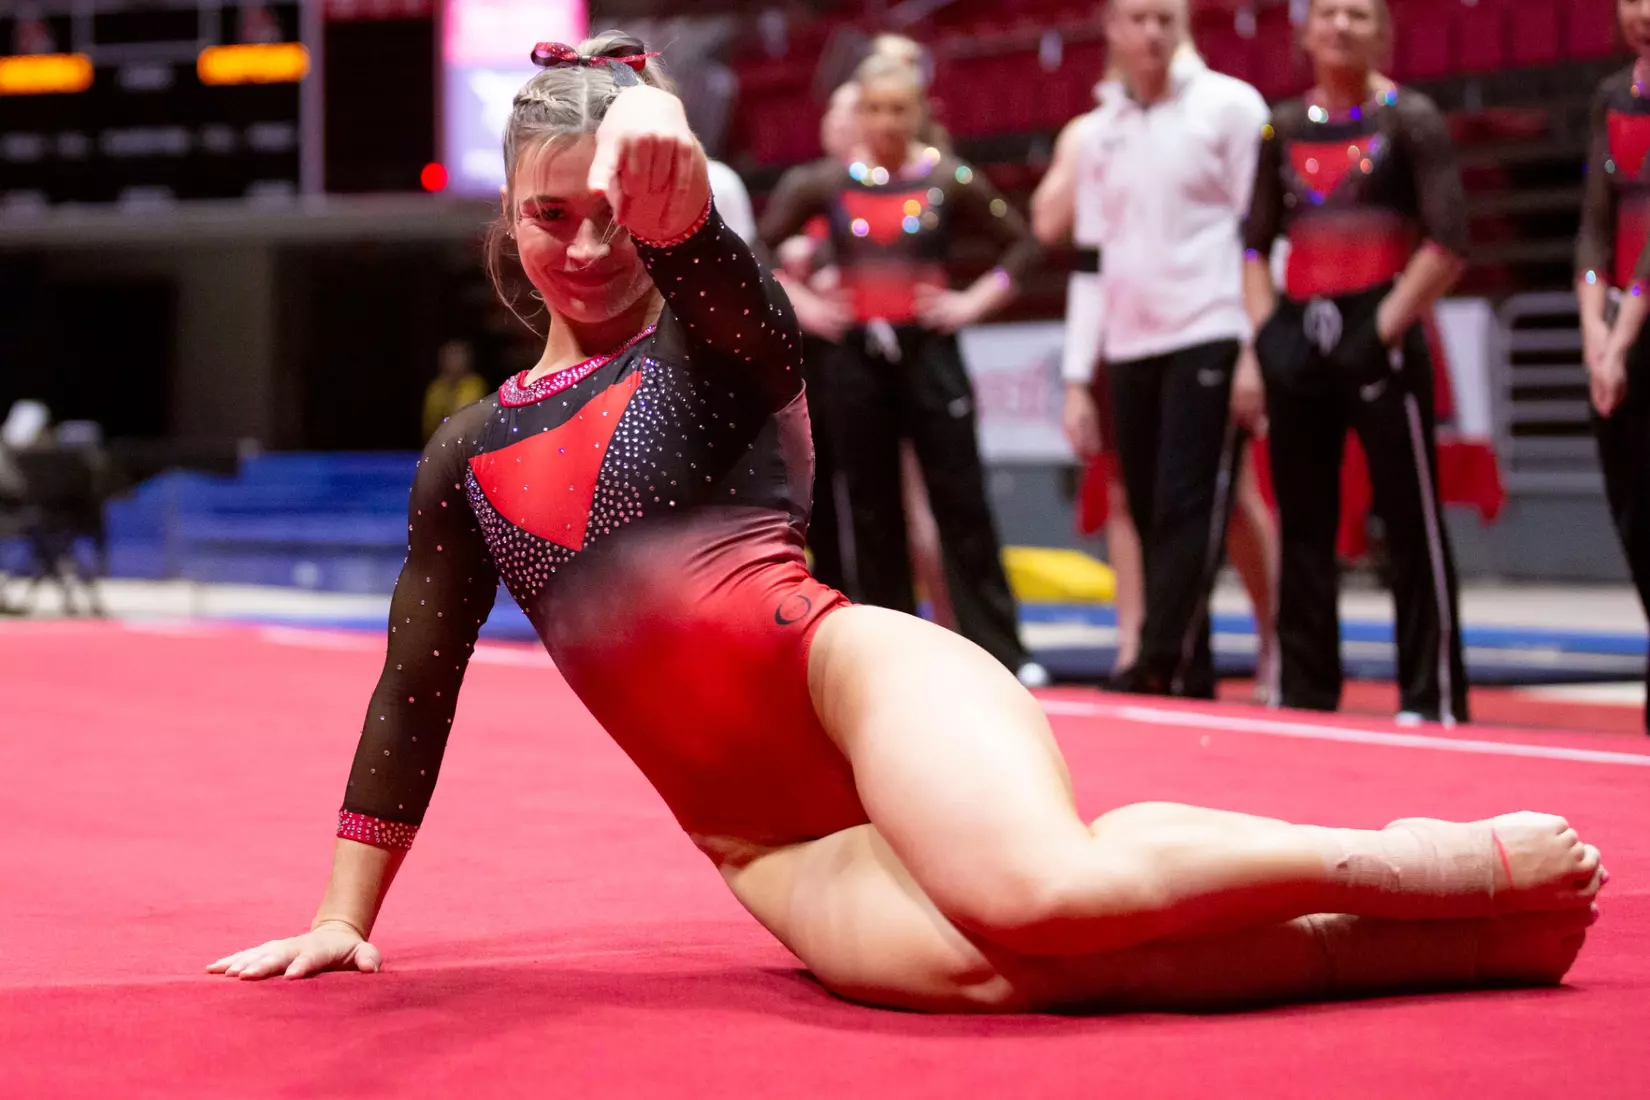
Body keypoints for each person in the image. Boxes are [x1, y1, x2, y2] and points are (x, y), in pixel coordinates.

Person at [210, 34, 1607, 1014]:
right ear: (504, 225)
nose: (586, 247)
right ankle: (1444, 952)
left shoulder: (711, 342)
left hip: (854, 681)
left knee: (1040, 894)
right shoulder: (467, 453)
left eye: (613, 217)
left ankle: (1414, 861)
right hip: (769, 845)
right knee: (1014, 976)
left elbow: (748, 316)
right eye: (550, 216)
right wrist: (345, 918)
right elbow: (417, 677)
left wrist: (688, 218)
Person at [759, 53, 1045, 685]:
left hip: (930, 356)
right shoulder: (826, 182)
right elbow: (756, 244)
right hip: (855, 361)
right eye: (875, 109)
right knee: (872, 508)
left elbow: (1024, 244)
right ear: (858, 114)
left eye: (898, 109)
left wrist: (972, 302)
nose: (886, 122)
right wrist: (804, 304)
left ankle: (1004, 649)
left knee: (962, 499)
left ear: (917, 112)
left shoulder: (951, 178)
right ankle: (891, 653)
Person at [1033, 2, 1280, 692]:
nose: (1152, 33)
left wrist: (1257, 345)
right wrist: (1079, 376)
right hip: (1130, 344)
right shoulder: (1101, 131)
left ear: (1185, 24)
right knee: (1143, 507)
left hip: (1211, 328)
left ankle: (1163, 657)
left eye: (1165, 18)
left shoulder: (1230, 106)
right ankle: (1188, 662)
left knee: (1192, 503)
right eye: (1138, 19)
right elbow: (1089, 258)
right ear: (1111, 29)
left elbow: (1260, 232)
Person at [1242, 0, 1470, 724]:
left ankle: (1429, 695)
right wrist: (1267, 331)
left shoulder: (1412, 119)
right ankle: (1305, 690)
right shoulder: (1280, 125)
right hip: (1298, 332)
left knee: (1408, 519)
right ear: (1305, 32)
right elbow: (1251, 244)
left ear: (1384, 33)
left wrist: (1383, 325)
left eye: (1359, 14)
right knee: (1303, 521)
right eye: (1329, 13)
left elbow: (1449, 241)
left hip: (1385, 327)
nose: (1341, 26)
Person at [1575, 0, 1650, 737]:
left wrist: (1618, 338)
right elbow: (1597, 224)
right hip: (1623, 341)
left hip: (1640, 331)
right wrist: (1592, 331)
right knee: (1634, 513)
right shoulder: (1612, 98)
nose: (1643, 12)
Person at [421, 340, 489, 442]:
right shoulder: (436, 387)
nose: (453, 361)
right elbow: (429, 424)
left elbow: (466, 423)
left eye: (457, 356)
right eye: (449, 356)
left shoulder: (475, 385)